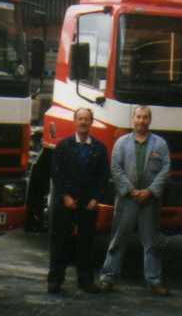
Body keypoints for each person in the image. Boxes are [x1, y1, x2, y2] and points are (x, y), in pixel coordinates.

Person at [98, 105, 171, 296]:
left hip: (150, 201)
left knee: (151, 242)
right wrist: (130, 191)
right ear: (133, 119)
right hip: (126, 200)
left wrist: (150, 191)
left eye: (145, 117)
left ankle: (154, 281)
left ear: (149, 120)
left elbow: (165, 170)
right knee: (118, 240)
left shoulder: (160, 144)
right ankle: (108, 277)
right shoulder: (121, 143)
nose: (141, 121)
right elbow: (116, 168)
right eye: (138, 117)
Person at [47, 107, 108, 294]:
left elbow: (103, 176)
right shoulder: (63, 146)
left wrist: (96, 198)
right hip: (66, 201)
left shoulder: (99, 148)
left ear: (91, 122)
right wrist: (64, 196)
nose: (83, 122)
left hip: (88, 204)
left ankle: (86, 281)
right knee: (60, 242)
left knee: (86, 243)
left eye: (86, 119)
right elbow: (56, 174)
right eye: (80, 118)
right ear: (75, 121)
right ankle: (55, 280)